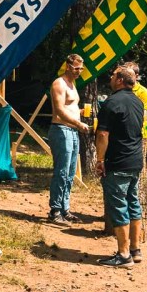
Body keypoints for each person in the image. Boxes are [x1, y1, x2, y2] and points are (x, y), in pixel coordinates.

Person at [95, 64, 147, 268]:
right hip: (135, 161)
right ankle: (136, 249)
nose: (110, 77)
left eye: (113, 75)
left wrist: (100, 160)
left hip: (117, 162)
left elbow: (102, 134)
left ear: (119, 80)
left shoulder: (111, 102)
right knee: (133, 203)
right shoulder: (138, 102)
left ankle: (123, 255)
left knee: (118, 207)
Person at [47, 54, 90, 226]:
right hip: (61, 129)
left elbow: (69, 107)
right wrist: (78, 123)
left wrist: (79, 113)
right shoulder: (59, 83)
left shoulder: (73, 84)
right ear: (68, 67)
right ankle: (55, 210)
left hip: (72, 130)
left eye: (81, 68)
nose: (79, 71)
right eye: (76, 68)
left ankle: (65, 208)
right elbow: (59, 110)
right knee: (62, 171)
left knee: (71, 172)